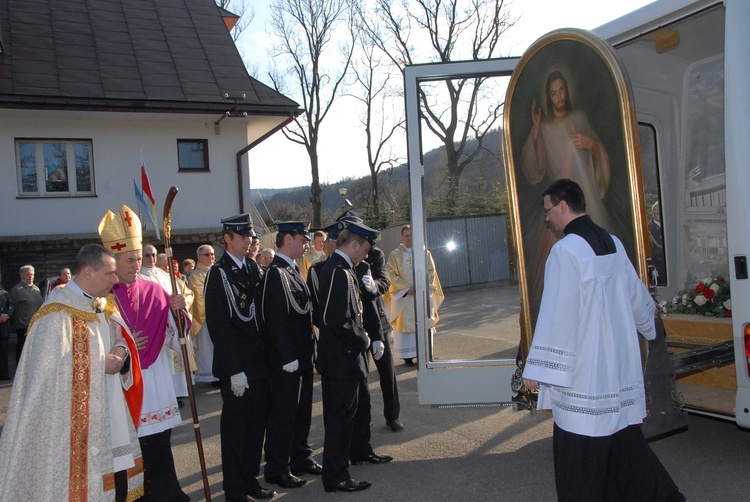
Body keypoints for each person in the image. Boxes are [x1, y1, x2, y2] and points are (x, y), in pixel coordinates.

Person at [521, 179, 685, 502]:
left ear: (563, 206)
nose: (546, 218)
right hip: (617, 372)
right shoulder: (612, 242)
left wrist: (537, 369)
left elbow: (558, 314)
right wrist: (652, 328)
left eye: (548, 210)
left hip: (584, 378)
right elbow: (636, 295)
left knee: (582, 461)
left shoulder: (565, 251)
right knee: (624, 446)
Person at [0, 244, 144, 501]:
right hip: (68, 419)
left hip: (108, 403)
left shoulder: (101, 303)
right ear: (88, 272)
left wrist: (121, 350)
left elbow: (118, 337)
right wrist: (101, 365)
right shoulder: (55, 313)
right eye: (109, 273)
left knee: (115, 478)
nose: (115, 279)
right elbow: (47, 373)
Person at [99, 205, 190, 502]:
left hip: (157, 378)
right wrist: (124, 346)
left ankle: (166, 493)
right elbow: (95, 341)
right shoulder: (103, 297)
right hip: (124, 385)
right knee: (132, 446)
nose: (136, 265)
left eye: (138, 259)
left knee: (160, 443)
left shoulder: (154, 289)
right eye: (129, 260)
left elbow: (179, 335)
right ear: (113, 260)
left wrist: (178, 313)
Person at [521, 69, 612, 325]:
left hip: (582, 192)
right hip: (560, 198)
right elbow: (535, 169)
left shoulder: (579, 117)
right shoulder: (546, 128)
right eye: (553, 93)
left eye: (562, 90)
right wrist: (537, 130)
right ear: (548, 98)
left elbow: (597, 149)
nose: (559, 96)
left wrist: (591, 145)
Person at [316, 220, 392, 493]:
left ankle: (357, 454)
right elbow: (334, 318)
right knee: (340, 420)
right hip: (341, 359)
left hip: (347, 357)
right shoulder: (337, 271)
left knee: (352, 414)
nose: (367, 254)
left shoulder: (343, 268)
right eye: (366, 248)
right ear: (355, 244)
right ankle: (336, 476)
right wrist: (365, 338)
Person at [204, 214, 275, 502]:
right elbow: (219, 327)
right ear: (227, 238)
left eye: (250, 236)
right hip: (238, 367)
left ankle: (250, 481)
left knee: (257, 427)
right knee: (236, 431)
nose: (249, 241)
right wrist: (234, 369)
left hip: (258, 364)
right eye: (243, 236)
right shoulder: (219, 273)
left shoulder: (252, 268)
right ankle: (234, 490)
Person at [259, 221, 322, 490]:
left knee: (301, 412)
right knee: (284, 414)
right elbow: (274, 319)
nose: (307, 243)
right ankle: (277, 468)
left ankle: (300, 456)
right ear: (288, 239)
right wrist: (286, 356)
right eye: (303, 238)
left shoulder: (291, 269)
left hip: (302, 355)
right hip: (287, 360)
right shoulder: (275, 273)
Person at [139, 243, 195, 405]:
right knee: (164, 364)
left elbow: (179, 295)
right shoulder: (140, 278)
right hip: (157, 326)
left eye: (153, 255)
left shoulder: (165, 275)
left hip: (172, 322)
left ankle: (178, 393)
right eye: (147, 255)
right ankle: (168, 396)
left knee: (176, 360)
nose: (151, 258)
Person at [385, 225, 444, 365]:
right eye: (406, 235)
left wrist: (421, 287)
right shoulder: (395, 254)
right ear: (401, 237)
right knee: (404, 323)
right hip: (404, 297)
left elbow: (431, 271)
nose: (409, 238)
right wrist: (406, 289)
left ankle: (424, 353)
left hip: (421, 295)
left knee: (423, 322)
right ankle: (407, 356)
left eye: (411, 235)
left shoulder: (424, 253)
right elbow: (390, 273)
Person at [189, 244, 219, 384]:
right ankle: (211, 376)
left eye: (212, 254)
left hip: (219, 315)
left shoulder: (217, 270)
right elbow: (199, 296)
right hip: (205, 317)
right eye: (207, 255)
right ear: (199, 257)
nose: (211, 257)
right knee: (208, 347)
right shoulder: (196, 276)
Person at [9, 264, 44, 365]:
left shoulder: (36, 289)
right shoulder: (17, 290)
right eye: (27, 275)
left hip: (36, 324)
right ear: (21, 276)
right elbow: (12, 307)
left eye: (32, 274)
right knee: (23, 349)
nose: (30, 277)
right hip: (24, 326)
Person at [649, 201, 667, 286]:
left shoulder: (667, 224)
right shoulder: (650, 227)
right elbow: (659, 244)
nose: (659, 215)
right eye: (657, 213)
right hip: (658, 259)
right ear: (654, 214)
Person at [0, 283, 13, 380]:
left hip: (3, 325)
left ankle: (4, 373)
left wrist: (6, 315)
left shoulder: (4, 292)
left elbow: (11, 304)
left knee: (3, 351)